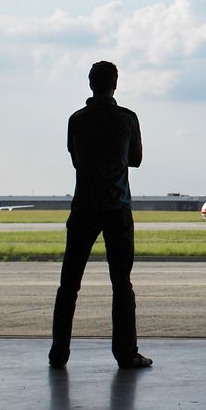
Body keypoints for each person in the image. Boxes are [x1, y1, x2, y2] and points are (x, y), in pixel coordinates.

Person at [50, 60, 152, 369]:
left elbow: (76, 160)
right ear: (115, 84)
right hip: (117, 207)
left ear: (90, 84)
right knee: (121, 284)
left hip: (84, 207)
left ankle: (59, 353)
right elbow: (135, 160)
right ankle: (126, 353)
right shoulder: (127, 119)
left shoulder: (76, 120)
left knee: (69, 284)